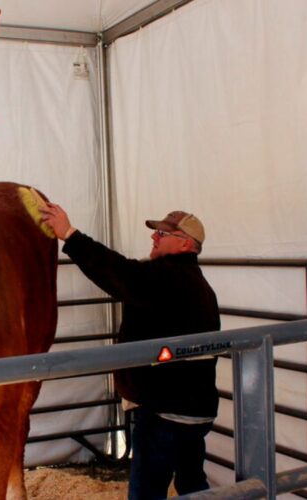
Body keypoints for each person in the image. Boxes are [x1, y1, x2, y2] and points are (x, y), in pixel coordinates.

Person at [40, 204, 220, 499]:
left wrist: (70, 236)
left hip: (165, 412)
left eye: (162, 233)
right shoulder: (198, 285)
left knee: (146, 491)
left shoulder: (167, 279)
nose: (154, 238)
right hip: (195, 412)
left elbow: (117, 272)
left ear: (186, 243)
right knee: (191, 484)